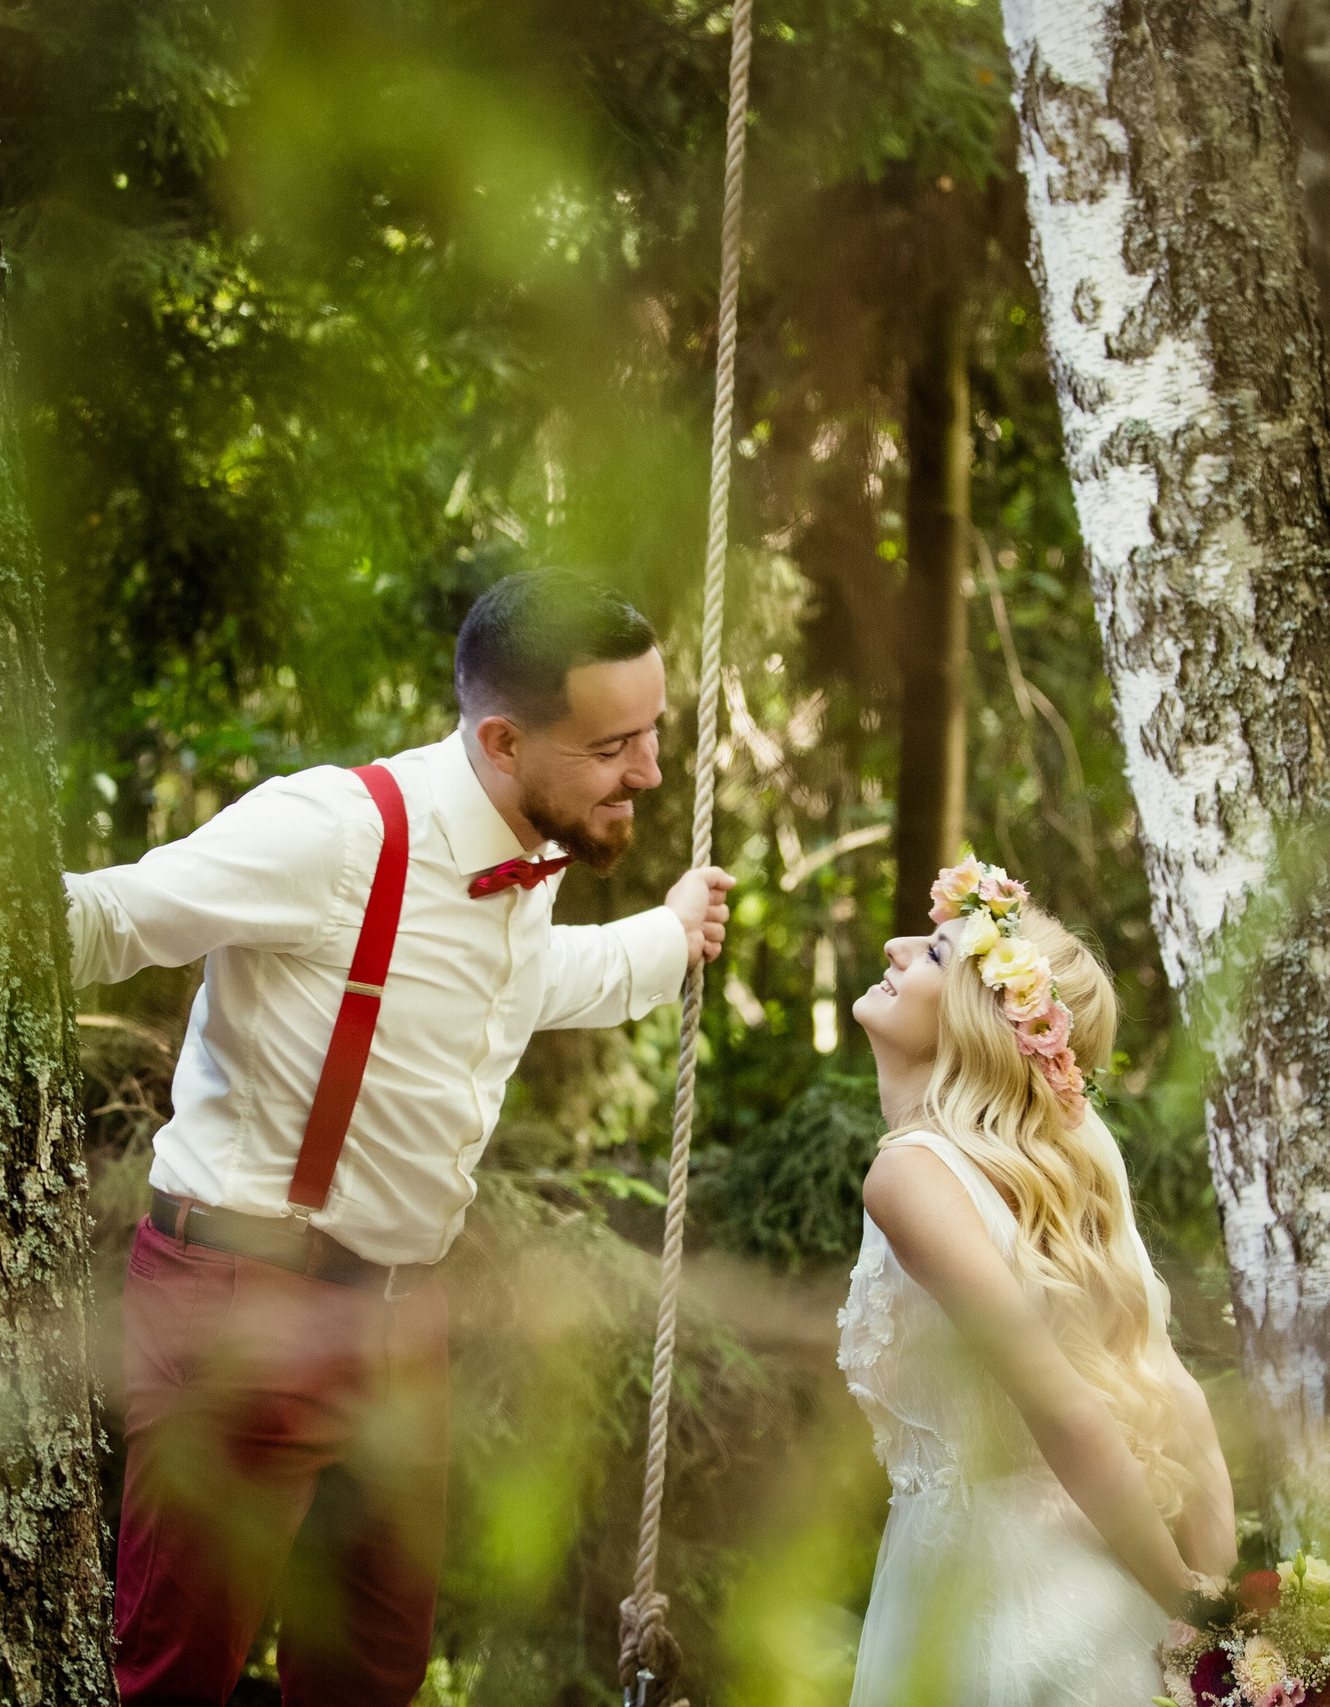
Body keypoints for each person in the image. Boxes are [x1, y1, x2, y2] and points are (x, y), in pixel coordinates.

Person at [65, 568, 734, 1706]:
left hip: (397, 1329)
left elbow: (528, 979)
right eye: (615, 743)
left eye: (654, 731)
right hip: (241, 1307)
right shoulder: (327, 832)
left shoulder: (523, 851)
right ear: (506, 739)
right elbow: (111, 918)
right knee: (174, 1678)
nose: (651, 771)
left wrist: (667, 938)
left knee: (371, 1678)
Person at [839, 856, 1236, 1706]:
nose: (898, 945)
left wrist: (1194, 1609)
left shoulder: (909, 1178)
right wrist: (1213, 1614)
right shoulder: (1063, 1172)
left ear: (979, 1024)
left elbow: (1062, 1405)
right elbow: (1185, 1407)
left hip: (989, 1609)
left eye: (937, 955)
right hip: (1092, 1594)